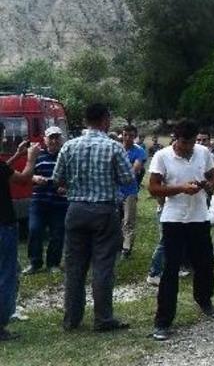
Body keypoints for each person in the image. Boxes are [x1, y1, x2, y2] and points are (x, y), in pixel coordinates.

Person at [52, 103, 135, 332]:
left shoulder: (69, 146)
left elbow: (56, 179)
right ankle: (103, 319)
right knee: (103, 266)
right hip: (104, 210)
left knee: (74, 267)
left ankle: (71, 320)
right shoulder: (113, 147)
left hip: (76, 209)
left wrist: (74, 186)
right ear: (105, 119)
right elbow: (128, 179)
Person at [148, 119, 214, 341]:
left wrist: (208, 185)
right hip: (174, 219)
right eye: (183, 142)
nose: (187, 146)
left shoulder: (203, 152)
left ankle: (204, 299)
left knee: (205, 263)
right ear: (175, 138)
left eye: (190, 142)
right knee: (171, 270)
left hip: (198, 217)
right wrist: (180, 188)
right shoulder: (163, 156)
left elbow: (213, 174)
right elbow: (153, 187)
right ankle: (163, 320)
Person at [0, 126, 39, 341]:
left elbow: (3, 170)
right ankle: (1, 324)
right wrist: (31, 159)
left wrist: (16, 155)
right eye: (2, 135)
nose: (5, 138)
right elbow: (24, 178)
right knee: (7, 273)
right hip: (3, 225)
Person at [23, 127, 68, 275]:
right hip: (39, 201)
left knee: (57, 233)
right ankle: (34, 263)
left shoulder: (66, 156)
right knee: (34, 230)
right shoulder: (38, 155)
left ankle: (53, 263)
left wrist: (65, 186)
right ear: (45, 139)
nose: (54, 140)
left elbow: (74, 178)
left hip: (59, 203)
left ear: (61, 139)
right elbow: (26, 175)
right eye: (51, 137)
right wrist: (35, 178)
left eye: (57, 138)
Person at [118, 124, 147, 259]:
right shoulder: (116, 149)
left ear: (135, 137)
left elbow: (134, 170)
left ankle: (126, 248)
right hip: (115, 190)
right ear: (122, 135)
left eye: (131, 135)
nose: (128, 138)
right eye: (125, 135)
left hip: (130, 190)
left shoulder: (139, 151)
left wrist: (117, 172)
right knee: (115, 220)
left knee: (128, 220)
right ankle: (117, 245)